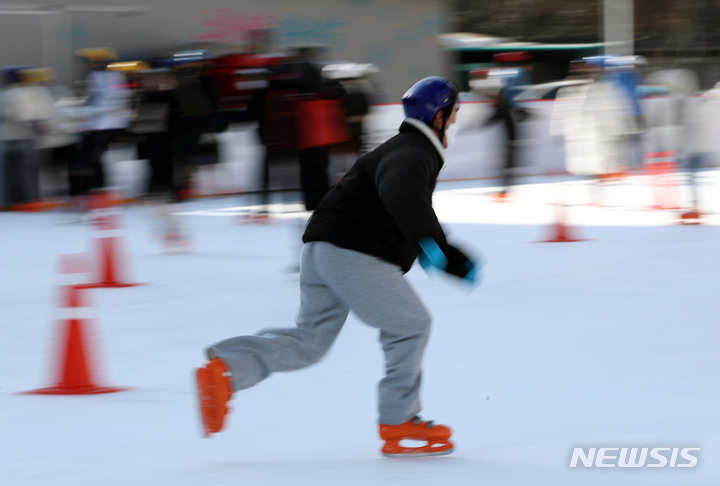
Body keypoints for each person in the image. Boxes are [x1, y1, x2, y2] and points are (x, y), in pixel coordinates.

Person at [195, 76, 481, 457]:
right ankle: (400, 420)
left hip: (321, 250)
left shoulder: (399, 149)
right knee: (411, 325)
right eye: (455, 113)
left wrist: (431, 250)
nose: (456, 122)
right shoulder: (415, 152)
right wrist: (441, 249)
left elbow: (397, 202)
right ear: (440, 115)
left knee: (310, 342)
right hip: (351, 252)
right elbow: (402, 195)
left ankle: (228, 369)